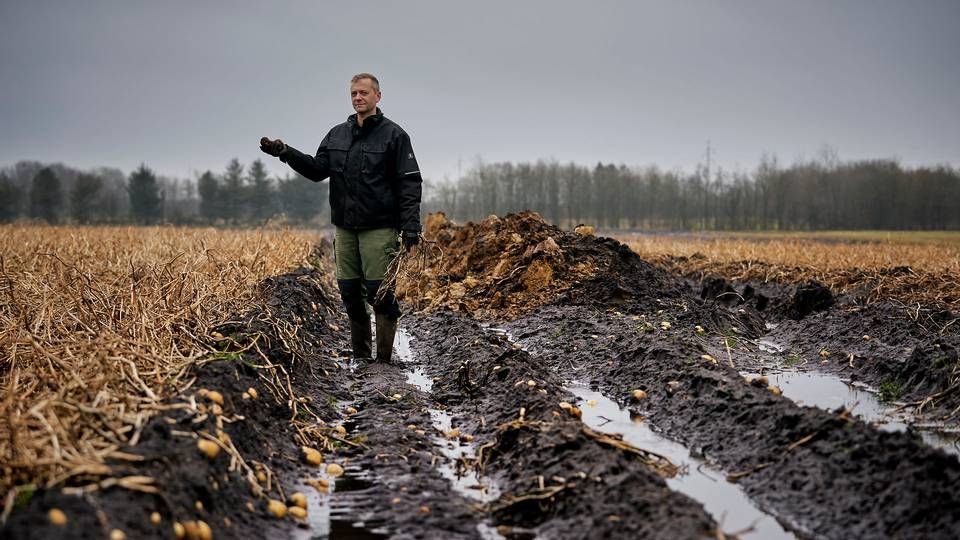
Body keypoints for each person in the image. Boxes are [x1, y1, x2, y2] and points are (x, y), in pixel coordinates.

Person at [259, 73, 422, 363]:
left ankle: (383, 361)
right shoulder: (337, 135)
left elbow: (409, 183)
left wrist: (411, 225)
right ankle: (361, 357)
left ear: (377, 97)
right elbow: (316, 169)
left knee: (380, 294)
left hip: (380, 227)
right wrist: (285, 153)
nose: (358, 98)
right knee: (349, 293)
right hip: (345, 228)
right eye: (354, 94)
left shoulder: (395, 136)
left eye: (364, 93)